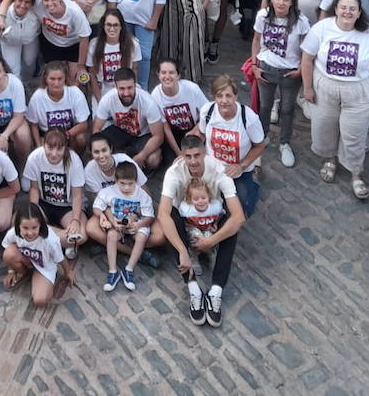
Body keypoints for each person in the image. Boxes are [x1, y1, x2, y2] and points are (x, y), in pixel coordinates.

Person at [300, 0, 369, 200]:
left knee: (354, 135)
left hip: (357, 91)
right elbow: (306, 59)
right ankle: (331, 159)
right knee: (325, 127)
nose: (347, 12)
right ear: (336, 9)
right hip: (325, 88)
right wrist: (308, 88)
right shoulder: (322, 28)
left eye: (352, 9)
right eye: (343, 7)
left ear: (359, 13)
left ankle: (356, 174)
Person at [156, 135, 245, 327]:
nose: (193, 161)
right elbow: (162, 214)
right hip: (187, 222)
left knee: (232, 225)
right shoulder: (173, 173)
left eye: (197, 155)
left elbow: (239, 216)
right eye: (188, 156)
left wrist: (211, 241)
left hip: (212, 221)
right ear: (182, 156)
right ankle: (193, 288)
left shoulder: (219, 170)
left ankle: (216, 291)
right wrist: (182, 251)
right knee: (169, 217)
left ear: (205, 153)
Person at [248, 0, 309, 168]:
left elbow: (307, 48)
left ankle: (284, 143)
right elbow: (257, 39)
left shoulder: (301, 21)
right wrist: (254, 64)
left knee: (287, 109)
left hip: (290, 72)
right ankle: (262, 136)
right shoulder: (263, 16)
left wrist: (301, 70)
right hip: (267, 68)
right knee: (265, 106)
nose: (281, 3)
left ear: (292, 2)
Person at [196, 75, 265, 216]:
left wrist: (242, 165)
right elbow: (202, 134)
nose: (224, 101)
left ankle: (255, 175)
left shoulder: (248, 118)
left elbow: (259, 145)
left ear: (236, 96)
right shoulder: (207, 112)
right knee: (202, 205)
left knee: (242, 212)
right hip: (214, 168)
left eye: (228, 96)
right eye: (219, 96)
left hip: (240, 171)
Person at [90, 161, 157, 293]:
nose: (126, 188)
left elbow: (149, 216)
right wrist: (103, 216)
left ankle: (129, 269)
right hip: (117, 223)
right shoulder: (108, 191)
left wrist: (138, 225)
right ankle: (113, 270)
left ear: (135, 181)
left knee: (141, 236)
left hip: (136, 223)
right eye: (122, 184)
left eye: (130, 184)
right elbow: (97, 207)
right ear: (116, 180)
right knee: (111, 236)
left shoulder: (142, 195)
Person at [22, 127, 87, 262]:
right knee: (20, 222)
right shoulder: (35, 157)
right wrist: (34, 213)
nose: (54, 153)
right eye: (50, 148)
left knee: (82, 234)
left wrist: (75, 220)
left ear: (65, 148)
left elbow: (77, 195)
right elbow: (34, 189)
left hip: (67, 207)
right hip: (44, 203)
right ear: (43, 143)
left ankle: (39, 240)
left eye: (59, 149)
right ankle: (65, 241)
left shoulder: (74, 160)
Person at [1, 202, 73, 306]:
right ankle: (22, 272)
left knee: (40, 300)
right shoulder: (13, 233)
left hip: (44, 267)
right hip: (26, 259)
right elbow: (8, 246)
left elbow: (60, 258)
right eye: (25, 228)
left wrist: (68, 271)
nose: (30, 233)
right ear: (18, 225)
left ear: (41, 225)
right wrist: (11, 271)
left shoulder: (50, 240)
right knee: (8, 253)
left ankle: (41, 278)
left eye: (34, 227)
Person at [92, 67, 165, 170]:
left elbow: (158, 136)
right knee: (99, 144)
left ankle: (141, 170)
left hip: (143, 135)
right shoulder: (107, 99)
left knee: (153, 159)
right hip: (120, 132)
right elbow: (96, 130)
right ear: (115, 87)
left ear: (135, 85)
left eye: (129, 88)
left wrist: (141, 156)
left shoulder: (148, 101)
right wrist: (101, 151)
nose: (126, 93)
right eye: (122, 88)